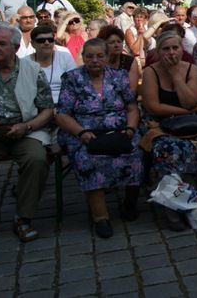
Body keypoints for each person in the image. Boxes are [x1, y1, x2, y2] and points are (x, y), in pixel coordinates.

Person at [0, 23, 54, 247]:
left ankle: (23, 218)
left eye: (1, 44)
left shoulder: (33, 70)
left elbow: (47, 110)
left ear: (16, 48)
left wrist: (27, 127)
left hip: (25, 131)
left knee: (37, 159)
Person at [55, 39, 142, 238]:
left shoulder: (119, 76)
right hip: (84, 132)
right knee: (87, 159)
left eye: (100, 56)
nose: (95, 60)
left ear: (107, 57)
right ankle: (100, 216)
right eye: (90, 56)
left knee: (137, 152)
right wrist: (81, 133)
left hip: (119, 130)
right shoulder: (72, 78)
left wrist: (130, 128)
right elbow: (62, 114)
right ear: (83, 57)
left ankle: (129, 204)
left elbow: (131, 107)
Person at [140, 31, 197, 229]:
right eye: (166, 49)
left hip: (192, 123)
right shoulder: (150, 72)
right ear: (158, 51)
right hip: (162, 123)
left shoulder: (191, 69)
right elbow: (153, 106)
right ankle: (171, 202)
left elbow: (191, 100)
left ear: (181, 49)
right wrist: (186, 110)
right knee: (167, 147)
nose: (171, 53)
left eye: (175, 48)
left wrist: (176, 76)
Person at [29, 24, 76, 107]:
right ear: (32, 44)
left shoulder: (65, 57)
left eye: (50, 40)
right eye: (41, 40)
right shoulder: (25, 62)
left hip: (63, 103)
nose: (47, 43)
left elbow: (74, 84)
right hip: (36, 105)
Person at [98, 26, 141, 94]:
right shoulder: (98, 62)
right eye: (112, 42)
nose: (116, 45)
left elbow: (132, 90)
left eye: (119, 42)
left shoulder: (130, 61)